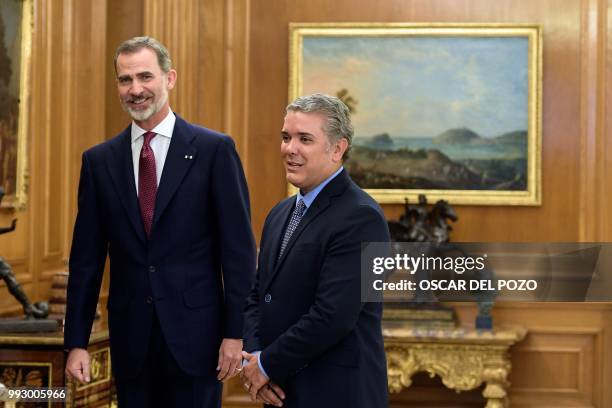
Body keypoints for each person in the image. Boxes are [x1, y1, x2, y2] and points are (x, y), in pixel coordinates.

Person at [64, 36, 256, 407]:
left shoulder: (214, 151)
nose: (135, 89)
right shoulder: (99, 162)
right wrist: (76, 343)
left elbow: (238, 254)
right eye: (125, 80)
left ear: (170, 79)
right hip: (131, 342)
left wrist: (237, 334)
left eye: (145, 77)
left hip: (199, 342)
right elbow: (85, 262)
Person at [241, 94, 390, 407]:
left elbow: (334, 316)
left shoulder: (363, 217)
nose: (290, 149)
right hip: (280, 390)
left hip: (336, 394)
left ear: (337, 148)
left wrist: (266, 365)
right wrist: (255, 359)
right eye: (286, 137)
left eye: (304, 139)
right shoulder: (279, 213)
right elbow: (258, 296)